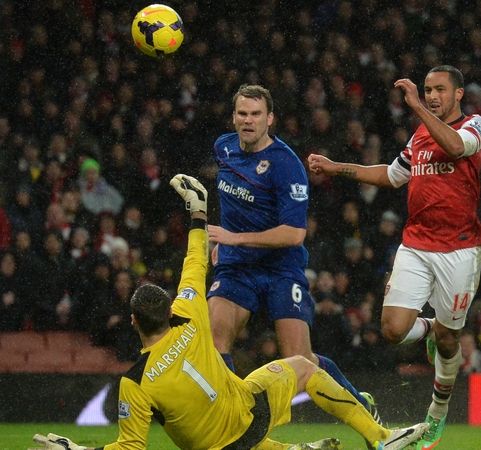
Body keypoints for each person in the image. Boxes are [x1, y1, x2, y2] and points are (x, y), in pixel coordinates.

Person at [29, 174, 429, 450]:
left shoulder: (134, 383)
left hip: (215, 447)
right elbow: (194, 260)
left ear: (133, 322)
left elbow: (130, 446)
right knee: (303, 367)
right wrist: (199, 211)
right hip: (248, 416)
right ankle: (380, 438)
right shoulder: (188, 313)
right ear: (168, 310)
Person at [309, 64, 481, 450]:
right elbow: (391, 175)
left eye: (440, 89)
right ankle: (427, 328)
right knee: (391, 330)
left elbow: (456, 148)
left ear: (459, 94)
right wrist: (334, 167)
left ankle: (437, 413)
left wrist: (416, 107)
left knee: (450, 339)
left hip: (460, 249)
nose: (432, 96)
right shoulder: (420, 135)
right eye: (426, 90)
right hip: (417, 245)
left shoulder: (474, 125)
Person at [203, 84, 380, 430]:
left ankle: (359, 405)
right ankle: (232, 424)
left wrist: (233, 237)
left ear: (270, 119)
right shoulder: (223, 147)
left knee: (300, 361)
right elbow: (235, 201)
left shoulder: (286, 166)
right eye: (242, 114)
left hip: (280, 269)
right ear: (233, 117)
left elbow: (294, 234)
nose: (248, 121)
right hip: (237, 267)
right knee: (214, 338)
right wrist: (226, 243)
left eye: (256, 114)